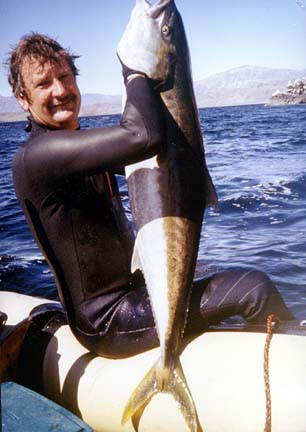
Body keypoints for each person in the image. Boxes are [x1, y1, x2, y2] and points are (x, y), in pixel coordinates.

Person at [8, 33, 294, 358]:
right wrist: (138, 69)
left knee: (210, 271)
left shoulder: (75, 147)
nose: (60, 90)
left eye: (64, 77)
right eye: (44, 84)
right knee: (253, 288)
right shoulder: (38, 156)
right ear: (22, 97)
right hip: (108, 321)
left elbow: (161, 156)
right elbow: (143, 136)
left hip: (135, 293)